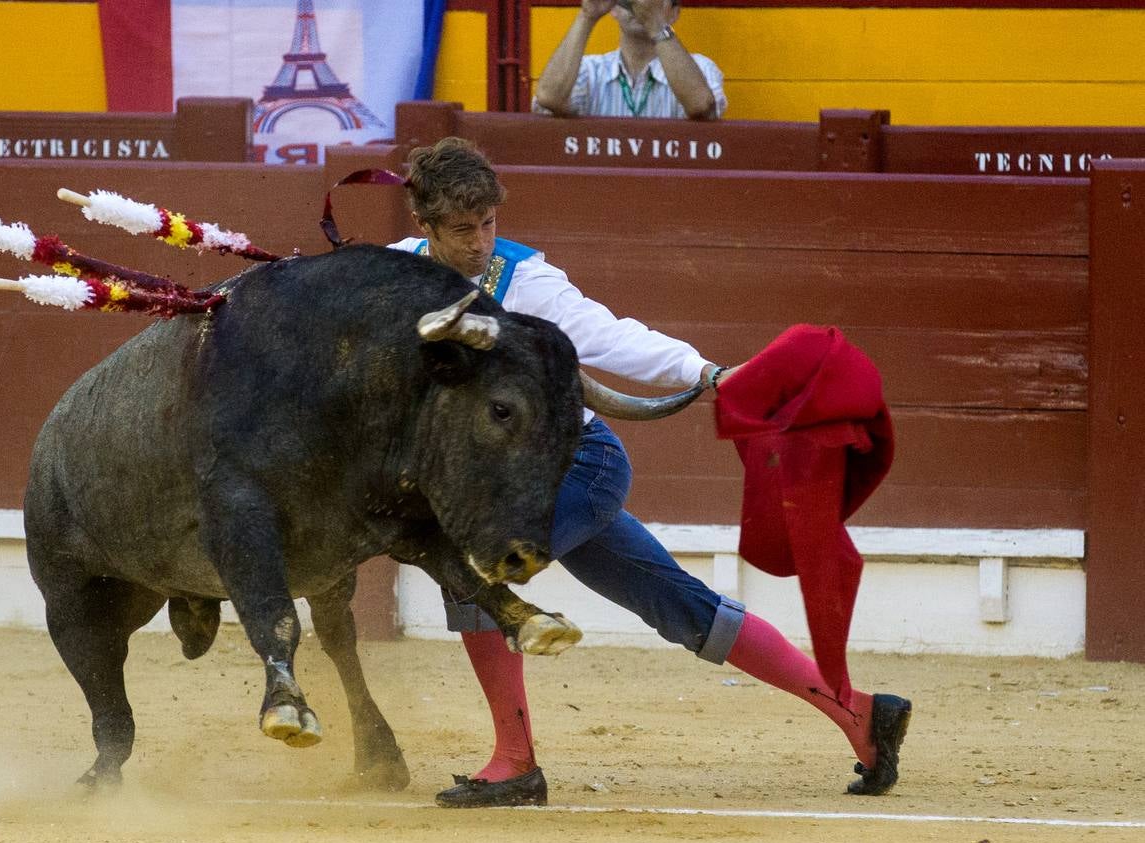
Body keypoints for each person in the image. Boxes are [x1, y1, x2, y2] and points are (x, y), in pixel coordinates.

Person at [389, 137, 911, 808]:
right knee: (684, 608)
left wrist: (707, 374)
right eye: (462, 230)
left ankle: (515, 762)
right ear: (422, 225)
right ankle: (861, 716)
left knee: (472, 565)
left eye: (488, 224)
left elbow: (611, 336)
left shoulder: (527, 281)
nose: (480, 243)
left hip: (579, 464)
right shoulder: (393, 275)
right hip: (519, 477)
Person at [533, 0, 726, 121]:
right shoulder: (588, 71)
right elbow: (548, 97)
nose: (639, 6)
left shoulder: (701, 67)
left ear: (675, 12)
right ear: (613, 10)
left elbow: (701, 106)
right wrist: (587, 15)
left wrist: (657, 26)